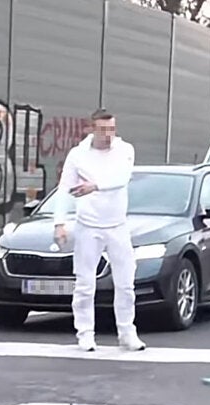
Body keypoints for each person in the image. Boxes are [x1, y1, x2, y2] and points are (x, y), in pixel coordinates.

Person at [54, 108, 145, 352]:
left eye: (112, 129)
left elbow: (123, 178)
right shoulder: (78, 155)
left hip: (117, 225)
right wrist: (59, 223)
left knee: (126, 283)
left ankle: (127, 332)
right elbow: (65, 189)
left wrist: (95, 186)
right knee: (85, 284)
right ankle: (85, 333)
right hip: (88, 226)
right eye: (103, 130)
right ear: (91, 129)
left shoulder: (125, 150)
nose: (108, 135)